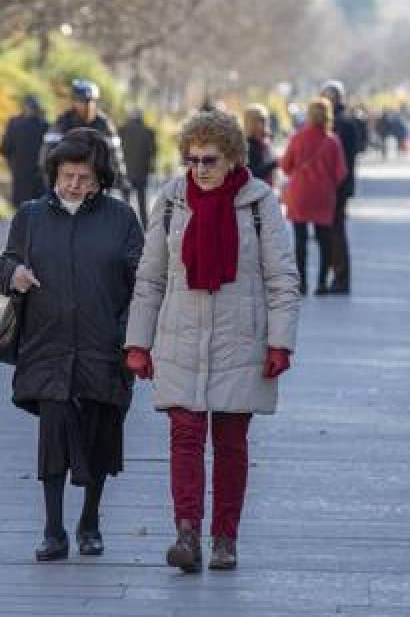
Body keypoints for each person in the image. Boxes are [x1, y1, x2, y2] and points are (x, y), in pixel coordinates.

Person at [124, 110, 300, 573]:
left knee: (230, 443)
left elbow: (282, 278)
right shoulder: (171, 201)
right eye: (193, 159)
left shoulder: (260, 205)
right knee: (184, 437)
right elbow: (150, 278)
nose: (199, 169)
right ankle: (186, 535)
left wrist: (280, 343)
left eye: (209, 160)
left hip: (240, 341)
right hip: (181, 338)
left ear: (233, 158)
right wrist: (138, 343)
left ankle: (224, 539)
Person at [0, 128, 143, 562]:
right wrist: (13, 274)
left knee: (98, 436)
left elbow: (143, 281)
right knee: (53, 435)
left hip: (103, 346)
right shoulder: (31, 216)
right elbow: (3, 266)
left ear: (98, 179)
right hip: (48, 344)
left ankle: (90, 522)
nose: (74, 184)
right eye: (66, 175)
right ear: (54, 174)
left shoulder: (121, 219)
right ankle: (53, 530)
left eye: (83, 176)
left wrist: (129, 333)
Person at [281, 97, 348, 295]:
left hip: (299, 194)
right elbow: (341, 173)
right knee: (324, 241)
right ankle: (321, 283)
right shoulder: (333, 141)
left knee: (300, 242)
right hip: (323, 195)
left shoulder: (297, 137)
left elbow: (285, 167)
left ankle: (301, 283)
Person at [319, 80, 365, 295]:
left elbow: (344, 158)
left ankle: (341, 278)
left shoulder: (343, 122)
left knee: (336, 231)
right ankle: (334, 276)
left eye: (329, 96)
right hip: (332, 185)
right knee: (330, 232)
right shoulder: (335, 121)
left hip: (338, 185)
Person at [39, 79, 126, 187]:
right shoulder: (63, 122)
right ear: (74, 102)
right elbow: (48, 151)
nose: (88, 105)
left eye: (91, 101)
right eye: (82, 101)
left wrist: (121, 177)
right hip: (69, 180)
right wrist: (49, 177)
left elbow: (115, 152)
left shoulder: (104, 124)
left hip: (95, 180)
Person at [0, 94, 50, 208]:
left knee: (21, 211)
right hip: (39, 176)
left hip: (19, 174)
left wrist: (12, 165)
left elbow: (4, 149)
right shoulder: (45, 125)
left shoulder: (14, 124)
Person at [119, 107, 157, 220]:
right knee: (142, 203)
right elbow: (152, 152)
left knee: (125, 204)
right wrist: (150, 167)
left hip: (125, 172)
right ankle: (145, 226)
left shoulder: (121, 130)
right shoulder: (149, 132)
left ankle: (126, 225)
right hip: (141, 172)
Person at [243, 104, 278, 184]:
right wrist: (275, 163)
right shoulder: (247, 146)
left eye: (266, 119)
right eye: (262, 120)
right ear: (251, 122)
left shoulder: (266, 141)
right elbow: (252, 174)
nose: (266, 123)